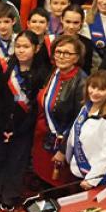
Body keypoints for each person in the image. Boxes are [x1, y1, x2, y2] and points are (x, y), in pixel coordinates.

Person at [0, 31, 48, 211]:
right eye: (18, 46)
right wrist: (2, 125)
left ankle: (10, 195)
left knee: (16, 160)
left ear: (36, 48)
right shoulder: (4, 67)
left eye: (26, 47)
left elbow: (36, 106)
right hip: (0, 121)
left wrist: (19, 128)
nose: (21, 51)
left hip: (24, 125)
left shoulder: (42, 72)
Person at [56, 70, 106, 189]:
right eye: (93, 87)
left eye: (101, 89)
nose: (95, 92)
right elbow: (74, 135)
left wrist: (92, 180)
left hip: (95, 179)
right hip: (76, 170)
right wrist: (65, 154)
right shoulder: (86, 107)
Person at [32, 33, 88, 184]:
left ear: (76, 58)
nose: (61, 56)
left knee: (56, 184)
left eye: (67, 53)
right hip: (43, 135)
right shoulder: (55, 72)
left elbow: (79, 121)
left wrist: (63, 151)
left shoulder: (82, 82)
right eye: (58, 52)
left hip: (61, 141)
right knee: (41, 173)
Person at [59, 5, 96, 73]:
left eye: (75, 23)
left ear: (81, 22)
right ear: (61, 20)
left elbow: (86, 71)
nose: (71, 27)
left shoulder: (87, 44)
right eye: (68, 22)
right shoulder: (50, 40)